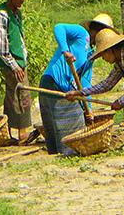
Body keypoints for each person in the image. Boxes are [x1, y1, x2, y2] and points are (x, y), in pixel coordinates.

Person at [0, 0, 37, 143]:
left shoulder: (16, 13)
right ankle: (21, 133)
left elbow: (18, 38)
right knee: (21, 93)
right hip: (11, 63)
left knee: (12, 94)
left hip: (19, 61)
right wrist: (14, 65)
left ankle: (8, 131)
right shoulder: (1, 16)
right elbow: (1, 45)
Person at [38, 20, 94, 155]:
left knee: (69, 120)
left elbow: (85, 83)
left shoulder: (91, 54)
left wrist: (89, 109)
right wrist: (65, 50)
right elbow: (59, 27)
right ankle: (69, 152)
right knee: (72, 121)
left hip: (65, 87)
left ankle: (61, 153)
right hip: (53, 82)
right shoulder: (82, 34)